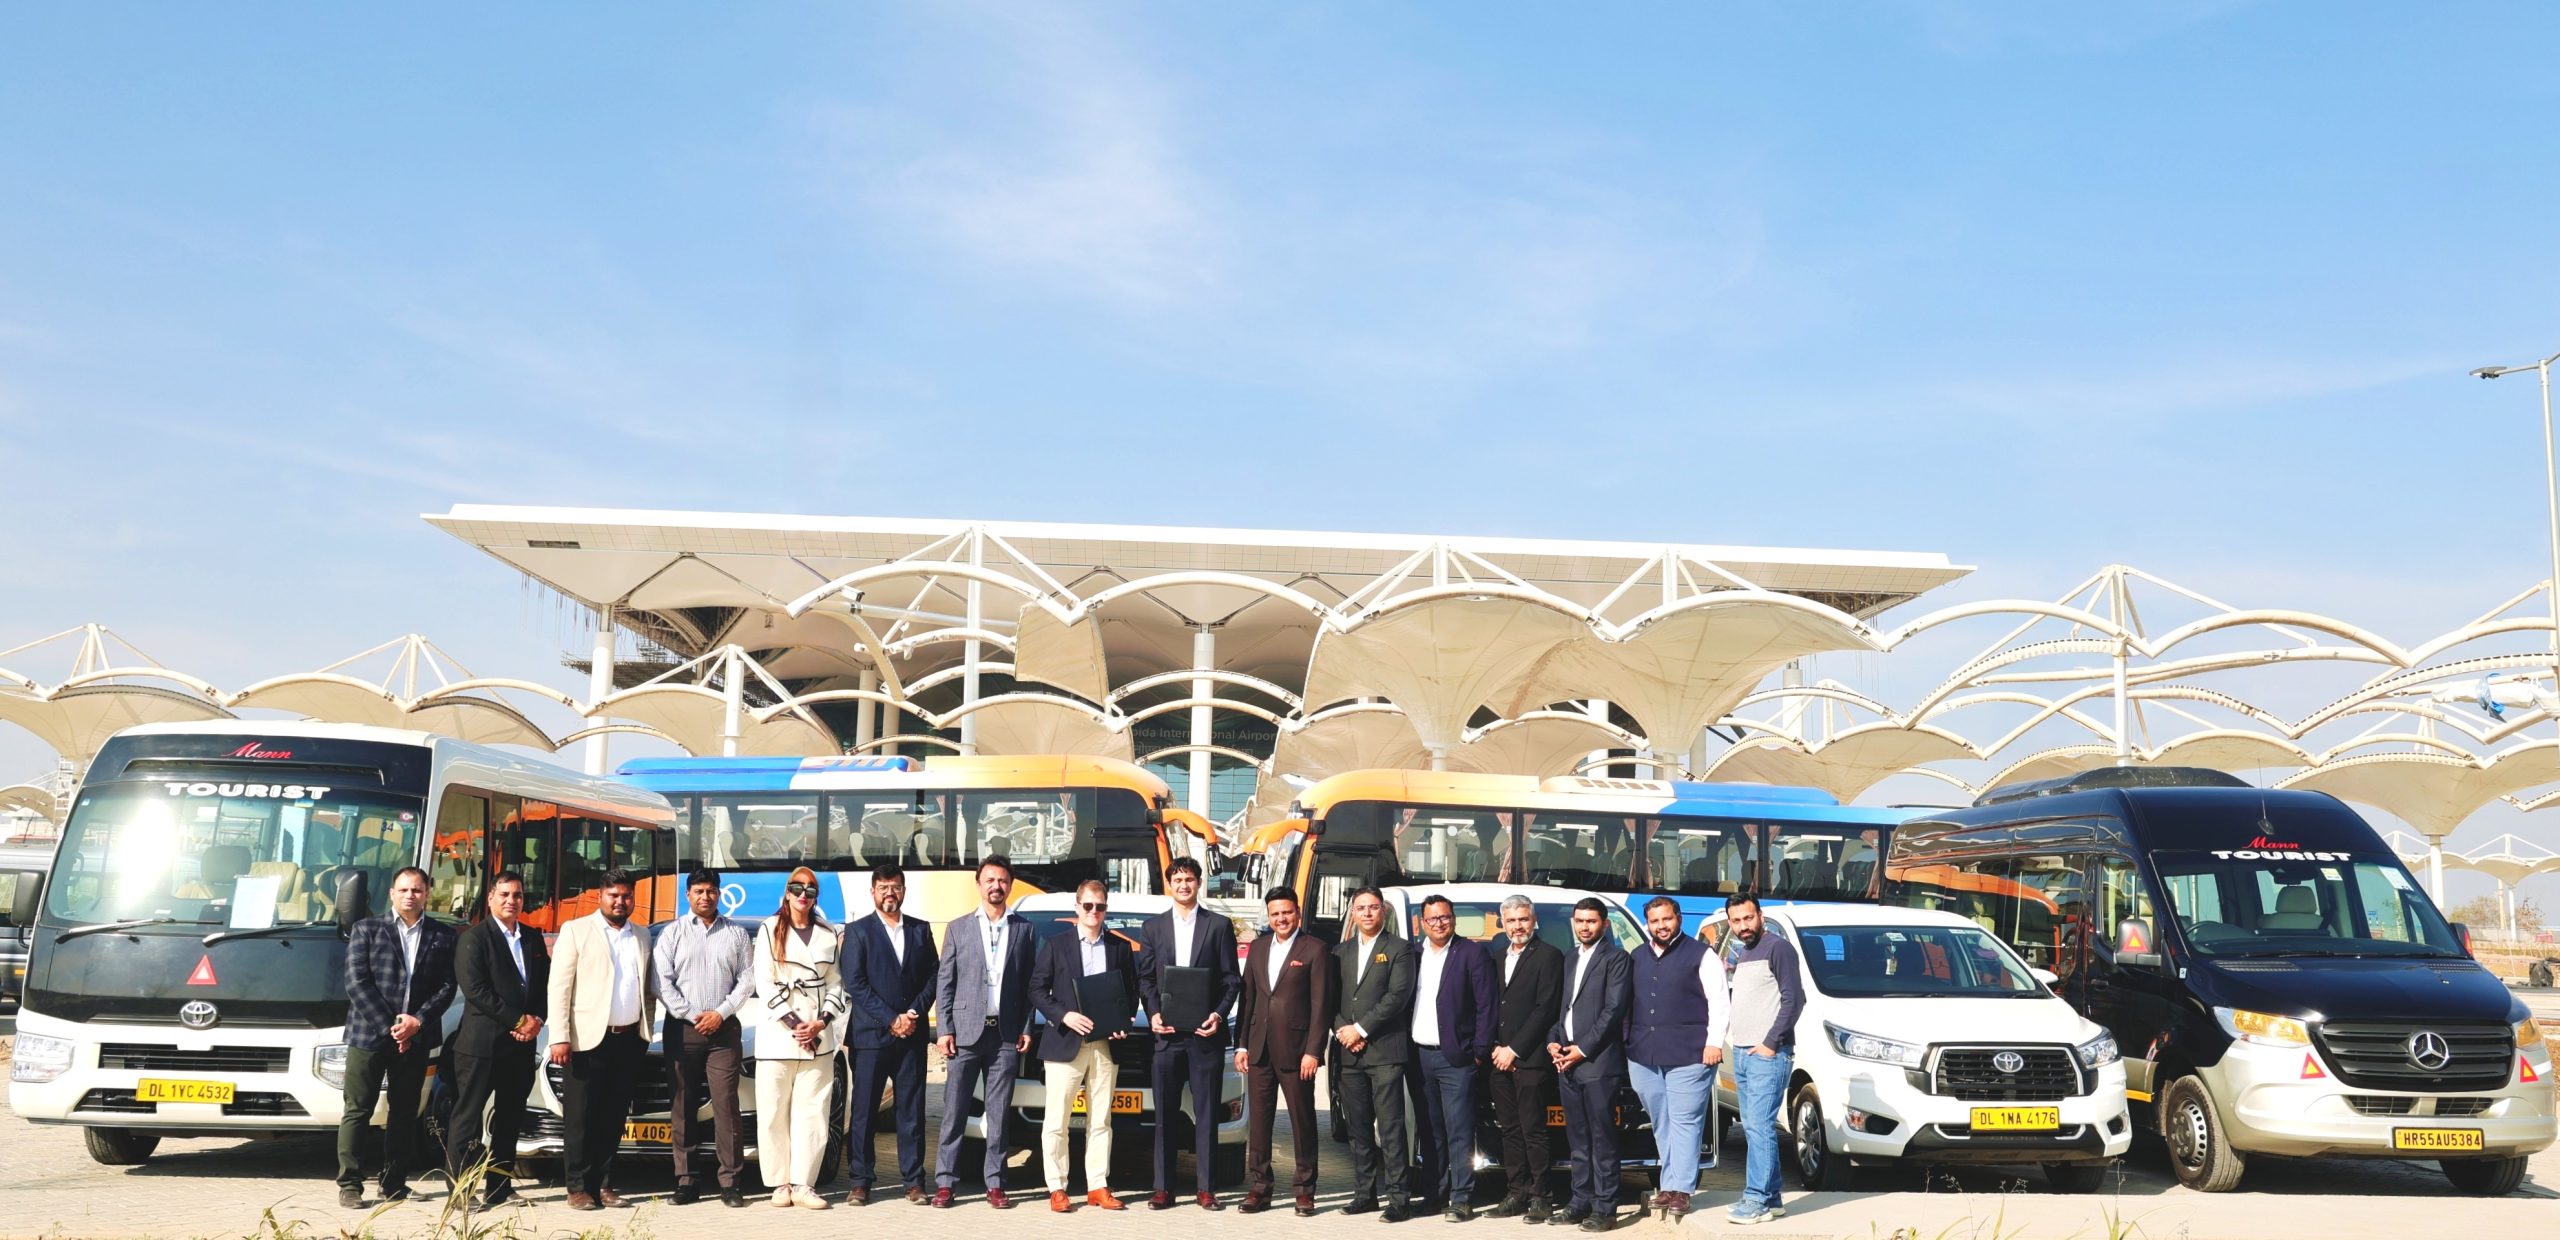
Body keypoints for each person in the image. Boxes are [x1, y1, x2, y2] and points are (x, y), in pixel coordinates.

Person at [338, 866, 457, 1209]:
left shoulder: (443, 935)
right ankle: (350, 1184)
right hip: (369, 1035)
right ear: (392, 893)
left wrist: (417, 1023)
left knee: (404, 1112)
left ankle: (393, 1183)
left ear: (427, 894)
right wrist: (392, 1026)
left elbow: (447, 986)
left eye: (417, 890)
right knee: (358, 1110)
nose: (410, 896)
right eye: (403, 890)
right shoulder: (367, 929)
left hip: (416, 1038)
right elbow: (357, 982)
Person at [547, 868, 659, 1212]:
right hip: (586, 1041)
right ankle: (577, 1188)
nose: (620, 902)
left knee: (613, 1117)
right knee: (581, 1117)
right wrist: (559, 1036)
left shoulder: (642, 935)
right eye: (613, 895)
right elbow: (559, 987)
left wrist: (645, 1031)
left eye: (626, 896)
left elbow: (646, 988)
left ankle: (604, 1184)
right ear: (600, 897)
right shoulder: (576, 930)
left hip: (628, 1040)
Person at [1030, 878, 1142, 1213]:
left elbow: (1130, 992)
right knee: (1057, 1120)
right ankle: (1057, 1187)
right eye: (1088, 905)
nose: (1094, 911)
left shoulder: (1120, 948)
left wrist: (1123, 1022)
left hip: (1106, 1045)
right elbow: (1037, 989)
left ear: (1106, 909)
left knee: (1101, 1120)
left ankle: (1097, 1186)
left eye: (1100, 906)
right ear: (1077, 907)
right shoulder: (1057, 945)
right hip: (1065, 1042)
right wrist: (1064, 1016)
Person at [1137, 856, 1241, 1211]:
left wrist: (1218, 1014)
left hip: (1204, 1035)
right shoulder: (1153, 928)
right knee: (1164, 1115)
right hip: (1166, 1036)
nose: (1183, 885)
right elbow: (1146, 979)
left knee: (1207, 1113)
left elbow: (1231, 979)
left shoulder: (1218, 926)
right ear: (1170, 884)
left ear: (1199, 883)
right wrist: (1153, 1013)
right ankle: (1163, 1188)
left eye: (1190, 879)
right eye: (1178, 879)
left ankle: (1206, 1189)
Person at [933, 856, 1036, 1209]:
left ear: (1010, 885)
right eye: (990, 880)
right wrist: (944, 1029)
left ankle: (995, 1182)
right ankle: (946, 1182)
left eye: (1002, 880)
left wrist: (1026, 1027)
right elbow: (945, 982)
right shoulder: (958, 928)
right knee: (955, 1109)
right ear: (979, 884)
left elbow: (1029, 984)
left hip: (1005, 1035)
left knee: (999, 1113)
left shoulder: (1023, 929)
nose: (996, 886)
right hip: (965, 1033)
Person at [444, 871, 550, 1209]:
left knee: (509, 1119)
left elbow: (544, 985)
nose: (511, 901)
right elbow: (477, 991)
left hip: (520, 1047)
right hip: (481, 1047)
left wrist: (536, 1020)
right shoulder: (474, 938)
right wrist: (518, 1020)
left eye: (517, 895)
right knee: (468, 1119)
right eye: (504, 894)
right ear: (490, 898)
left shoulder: (531, 938)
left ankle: (499, 1189)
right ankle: (460, 1192)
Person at [654, 869, 755, 1208]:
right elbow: (661, 982)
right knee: (682, 1105)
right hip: (683, 1029)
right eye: (698, 891)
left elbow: (747, 980)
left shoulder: (736, 934)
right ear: (688, 895)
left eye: (711, 890)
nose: (705, 897)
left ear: (719, 894)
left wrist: (720, 1013)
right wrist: (693, 1014)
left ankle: (730, 1182)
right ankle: (686, 1180)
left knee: (726, 1105)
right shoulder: (672, 933)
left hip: (723, 1031)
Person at [1625, 897, 1729, 1223]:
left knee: (1685, 1122)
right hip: (1644, 1055)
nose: (1661, 926)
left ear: (1679, 918)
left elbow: (1719, 1002)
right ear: (1647, 924)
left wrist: (1714, 1043)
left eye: (1667, 919)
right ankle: (1668, 1184)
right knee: (1662, 1121)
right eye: (1655, 921)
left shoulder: (1702, 955)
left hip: (1691, 1053)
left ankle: (1681, 1189)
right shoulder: (1637, 956)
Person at [844, 862, 940, 1206]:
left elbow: (934, 975)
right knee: (864, 1112)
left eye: (895, 887)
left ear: (903, 891)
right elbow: (855, 983)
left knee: (911, 1112)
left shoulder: (920, 930)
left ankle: (914, 1181)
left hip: (911, 1034)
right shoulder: (858, 932)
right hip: (870, 1037)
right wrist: (890, 1019)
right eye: (883, 887)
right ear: (873, 892)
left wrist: (913, 1013)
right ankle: (860, 1181)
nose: (890, 893)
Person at [753, 865, 849, 1210]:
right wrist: (795, 1024)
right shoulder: (769, 928)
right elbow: (764, 982)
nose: (803, 895)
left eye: (810, 890)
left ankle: (804, 1183)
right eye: (797, 888)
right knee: (773, 1112)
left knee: (814, 1113)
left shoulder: (828, 932)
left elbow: (837, 982)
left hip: (818, 1038)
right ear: (787, 892)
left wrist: (820, 1023)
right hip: (779, 1036)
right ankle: (779, 1183)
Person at [1232, 887, 1330, 1218]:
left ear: (1297, 913)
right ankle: (1260, 1187)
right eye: (1275, 913)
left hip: (1297, 1052)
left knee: (1302, 1122)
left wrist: (1313, 1050)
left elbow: (1321, 1005)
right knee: (1259, 1123)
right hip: (1259, 1050)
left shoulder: (1315, 949)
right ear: (1269, 916)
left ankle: (1304, 1190)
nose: (1281, 919)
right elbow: (1248, 999)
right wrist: (1242, 1044)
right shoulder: (1259, 948)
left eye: (1287, 912)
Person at [1409, 893, 1498, 1222]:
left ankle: (1461, 1198)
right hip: (1419, 1057)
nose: (1439, 923)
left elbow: (1487, 1006)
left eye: (1444, 917)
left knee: (1459, 1130)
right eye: (1432, 918)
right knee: (1430, 1130)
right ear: (1422, 922)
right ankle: (1434, 1195)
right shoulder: (1413, 955)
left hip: (1457, 1059)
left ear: (1454, 919)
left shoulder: (1472, 953)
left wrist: (1479, 1052)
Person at [1545, 897, 1631, 1234]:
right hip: (1567, 1062)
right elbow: (1563, 1009)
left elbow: (1613, 1011)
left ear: (1604, 924)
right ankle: (1580, 1201)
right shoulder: (1570, 958)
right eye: (1579, 921)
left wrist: (1582, 1049)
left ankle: (1605, 1208)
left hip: (1598, 1063)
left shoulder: (1616, 958)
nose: (1584, 927)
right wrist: (1554, 1041)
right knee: (1578, 1139)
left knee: (1602, 1139)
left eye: (1591, 921)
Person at [1331, 886, 1415, 1222]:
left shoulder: (1400, 949)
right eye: (1361, 908)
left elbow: (1397, 997)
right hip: (1349, 1054)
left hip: (1384, 1052)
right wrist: (1343, 1031)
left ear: (1384, 911)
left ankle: (1399, 1199)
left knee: (1391, 1128)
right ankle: (1364, 1195)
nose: (1367, 913)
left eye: (1373, 907)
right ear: (1353, 914)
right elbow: (1329, 997)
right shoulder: (1339, 951)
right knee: (1358, 1128)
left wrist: (1361, 1029)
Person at [1720, 893, 1803, 1228]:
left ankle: (1756, 1200)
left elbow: (1794, 999)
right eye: (1737, 920)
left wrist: (1771, 1043)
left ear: (1760, 916)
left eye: (1748, 918)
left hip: (1768, 1054)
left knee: (1759, 1127)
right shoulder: (1744, 952)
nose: (1744, 925)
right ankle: (1771, 1198)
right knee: (1754, 1126)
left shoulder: (1778, 948)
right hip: (1744, 1052)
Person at [1484, 895, 1564, 1223]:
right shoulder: (1495, 957)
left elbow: (1545, 1009)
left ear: (1534, 920)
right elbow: (1489, 1006)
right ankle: (1516, 1192)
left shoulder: (1549, 956)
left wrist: (1513, 1049)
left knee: (1534, 1129)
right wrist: (1494, 1046)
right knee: (1510, 1130)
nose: (1518, 926)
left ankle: (1541, 1196)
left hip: (1529, 1059)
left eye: (1523, 919)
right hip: (1498, 1059)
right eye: (1512, 920)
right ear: (1502, 923)